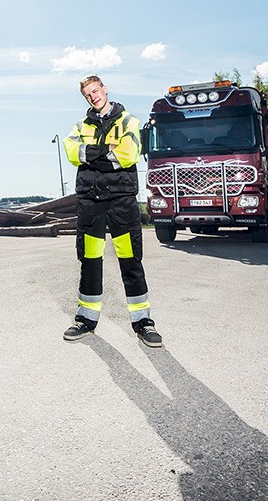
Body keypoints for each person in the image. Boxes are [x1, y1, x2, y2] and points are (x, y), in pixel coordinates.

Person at [62, 75, 162, 347]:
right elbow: (71, 152)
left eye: (95, 90)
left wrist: (90, 156)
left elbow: (127, 155)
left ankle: (143, 323)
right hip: (90, 202)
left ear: (105, 89)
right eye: (87, 95)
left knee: (131, 261)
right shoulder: (80, 125)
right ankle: (85, 320)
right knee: (89, 261)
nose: (93, 97)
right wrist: (106, 151)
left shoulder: (129, 121)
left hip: (121, 202)